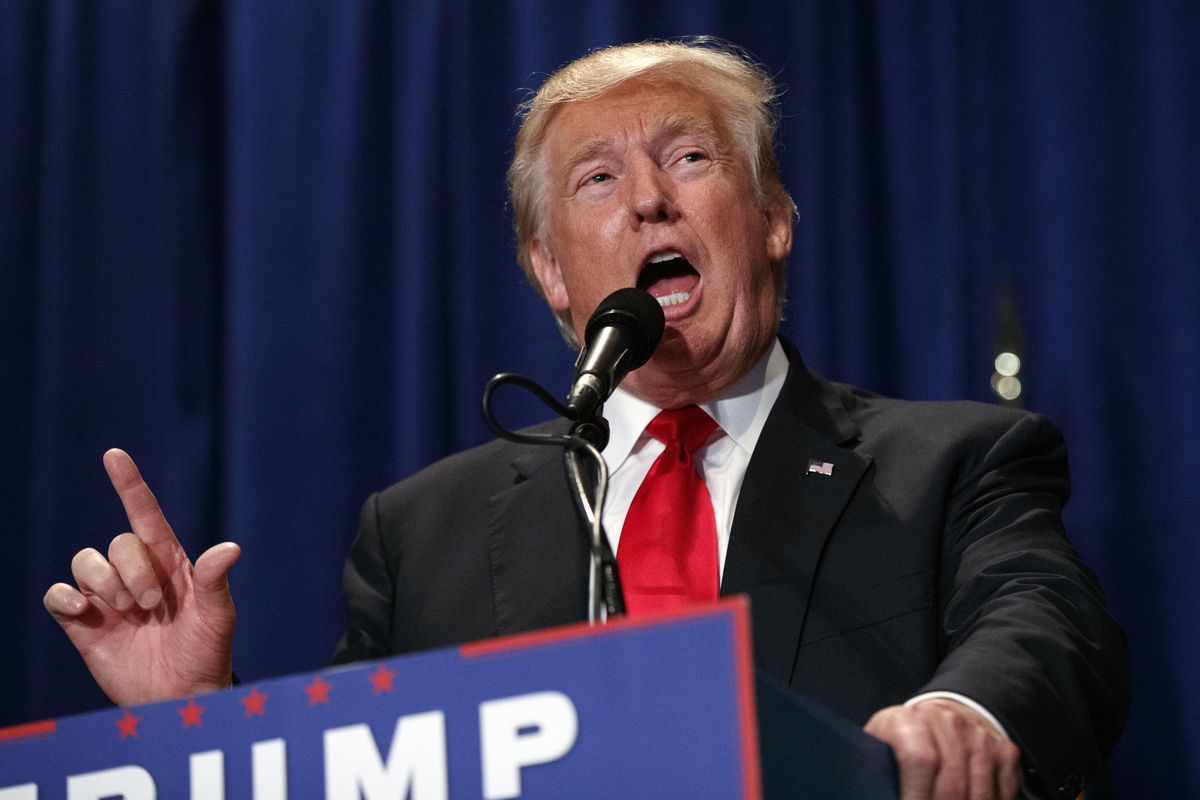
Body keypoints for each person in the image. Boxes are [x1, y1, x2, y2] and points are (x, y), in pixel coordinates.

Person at [44, 39, 1128, 800]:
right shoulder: (424, 532)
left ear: (776, 221)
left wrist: (968, 715)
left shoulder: (950, 462)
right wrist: (197, 715)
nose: (650, 199)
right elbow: (366, 769)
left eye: (690, 157)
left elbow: (1047, 627)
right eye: (597, 179)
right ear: (550, 269)